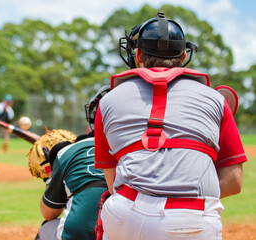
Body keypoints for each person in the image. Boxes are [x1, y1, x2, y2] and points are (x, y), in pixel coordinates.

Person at [94, 12, 247, 240]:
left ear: (137, 55)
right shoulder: (215, 100)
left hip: (125, 213)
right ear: (184, 54)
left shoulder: (107, 102)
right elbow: (234, 181)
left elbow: (113, 181)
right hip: (192, 219)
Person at [36, 85, 110, 240]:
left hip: (79, 234)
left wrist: (50, 178)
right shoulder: (139, 151)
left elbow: (49, 213)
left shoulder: (67, 152)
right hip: (134, 229)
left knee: (46, 228)